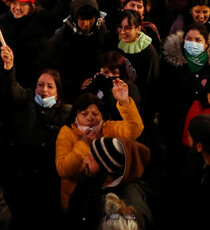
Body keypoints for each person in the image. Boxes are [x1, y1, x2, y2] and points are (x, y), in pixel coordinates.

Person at [0, 45, 71, 230]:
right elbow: (12, 89)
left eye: (49, 86)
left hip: (48, 182)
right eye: (40, 84)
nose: (43, 90)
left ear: (58, 90)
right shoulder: (26, 98)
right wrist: (9, 67)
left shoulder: (66, 113)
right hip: (20, 177)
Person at [55, 80, 144, 210]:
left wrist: (124, 102)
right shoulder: (67, 132)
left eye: (95, 114)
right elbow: (63, 170)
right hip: (75, 200)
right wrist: (84, 144)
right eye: (84, 114)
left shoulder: (107, 128)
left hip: (105, 200)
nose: (90, 118)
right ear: (75, 116)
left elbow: (134, 131)